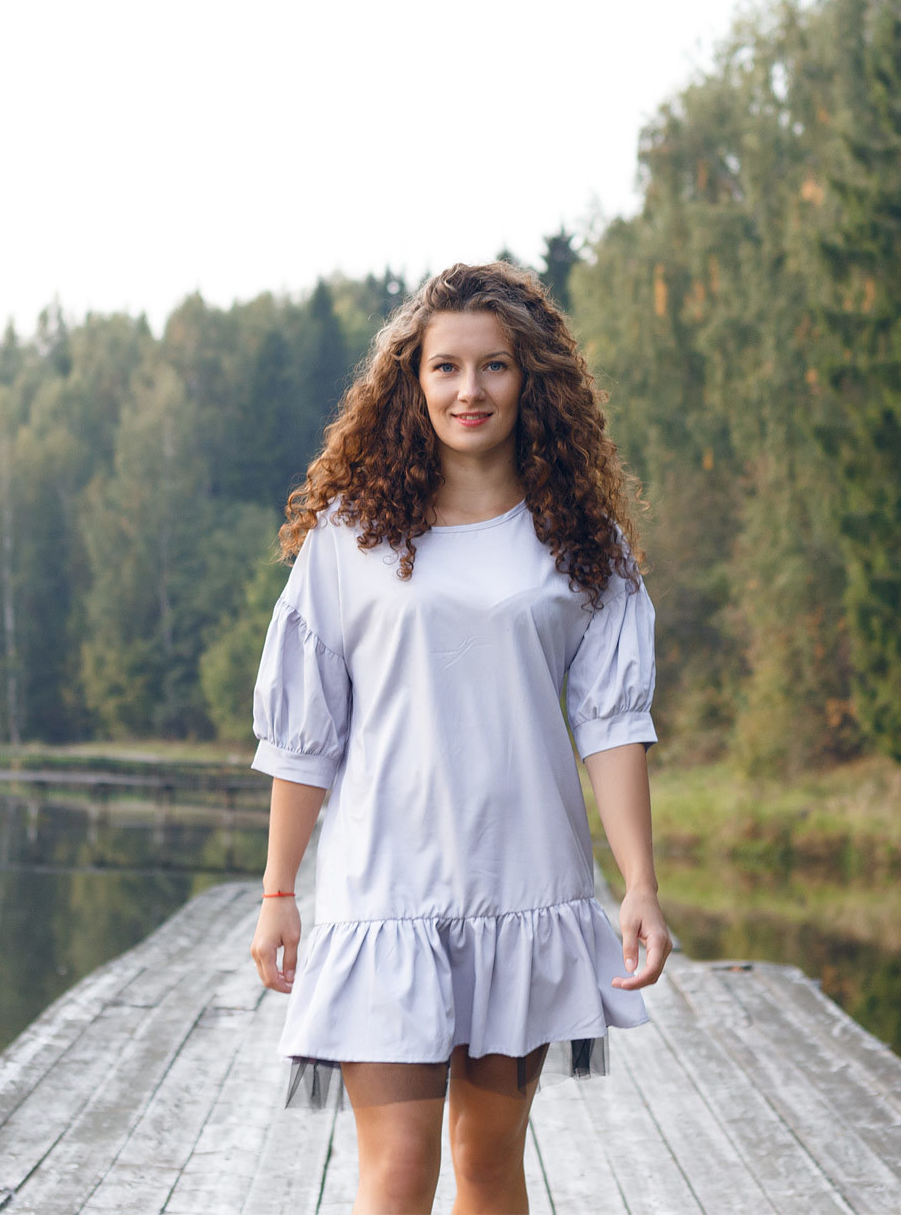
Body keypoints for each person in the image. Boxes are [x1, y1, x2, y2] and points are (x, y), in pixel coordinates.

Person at [246, 261, 673, 1214]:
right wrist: (279, 890)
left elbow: (612, 724)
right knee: (396, 1172)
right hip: (384, 889)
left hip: (517, 888)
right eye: (445, 367)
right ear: (413, 380)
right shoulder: (349, 536)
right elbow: (305, 733)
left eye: (494, 367)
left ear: (533, 382)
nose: (468, 390)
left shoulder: (582, 542)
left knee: (487, 1166)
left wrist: (639, 882)